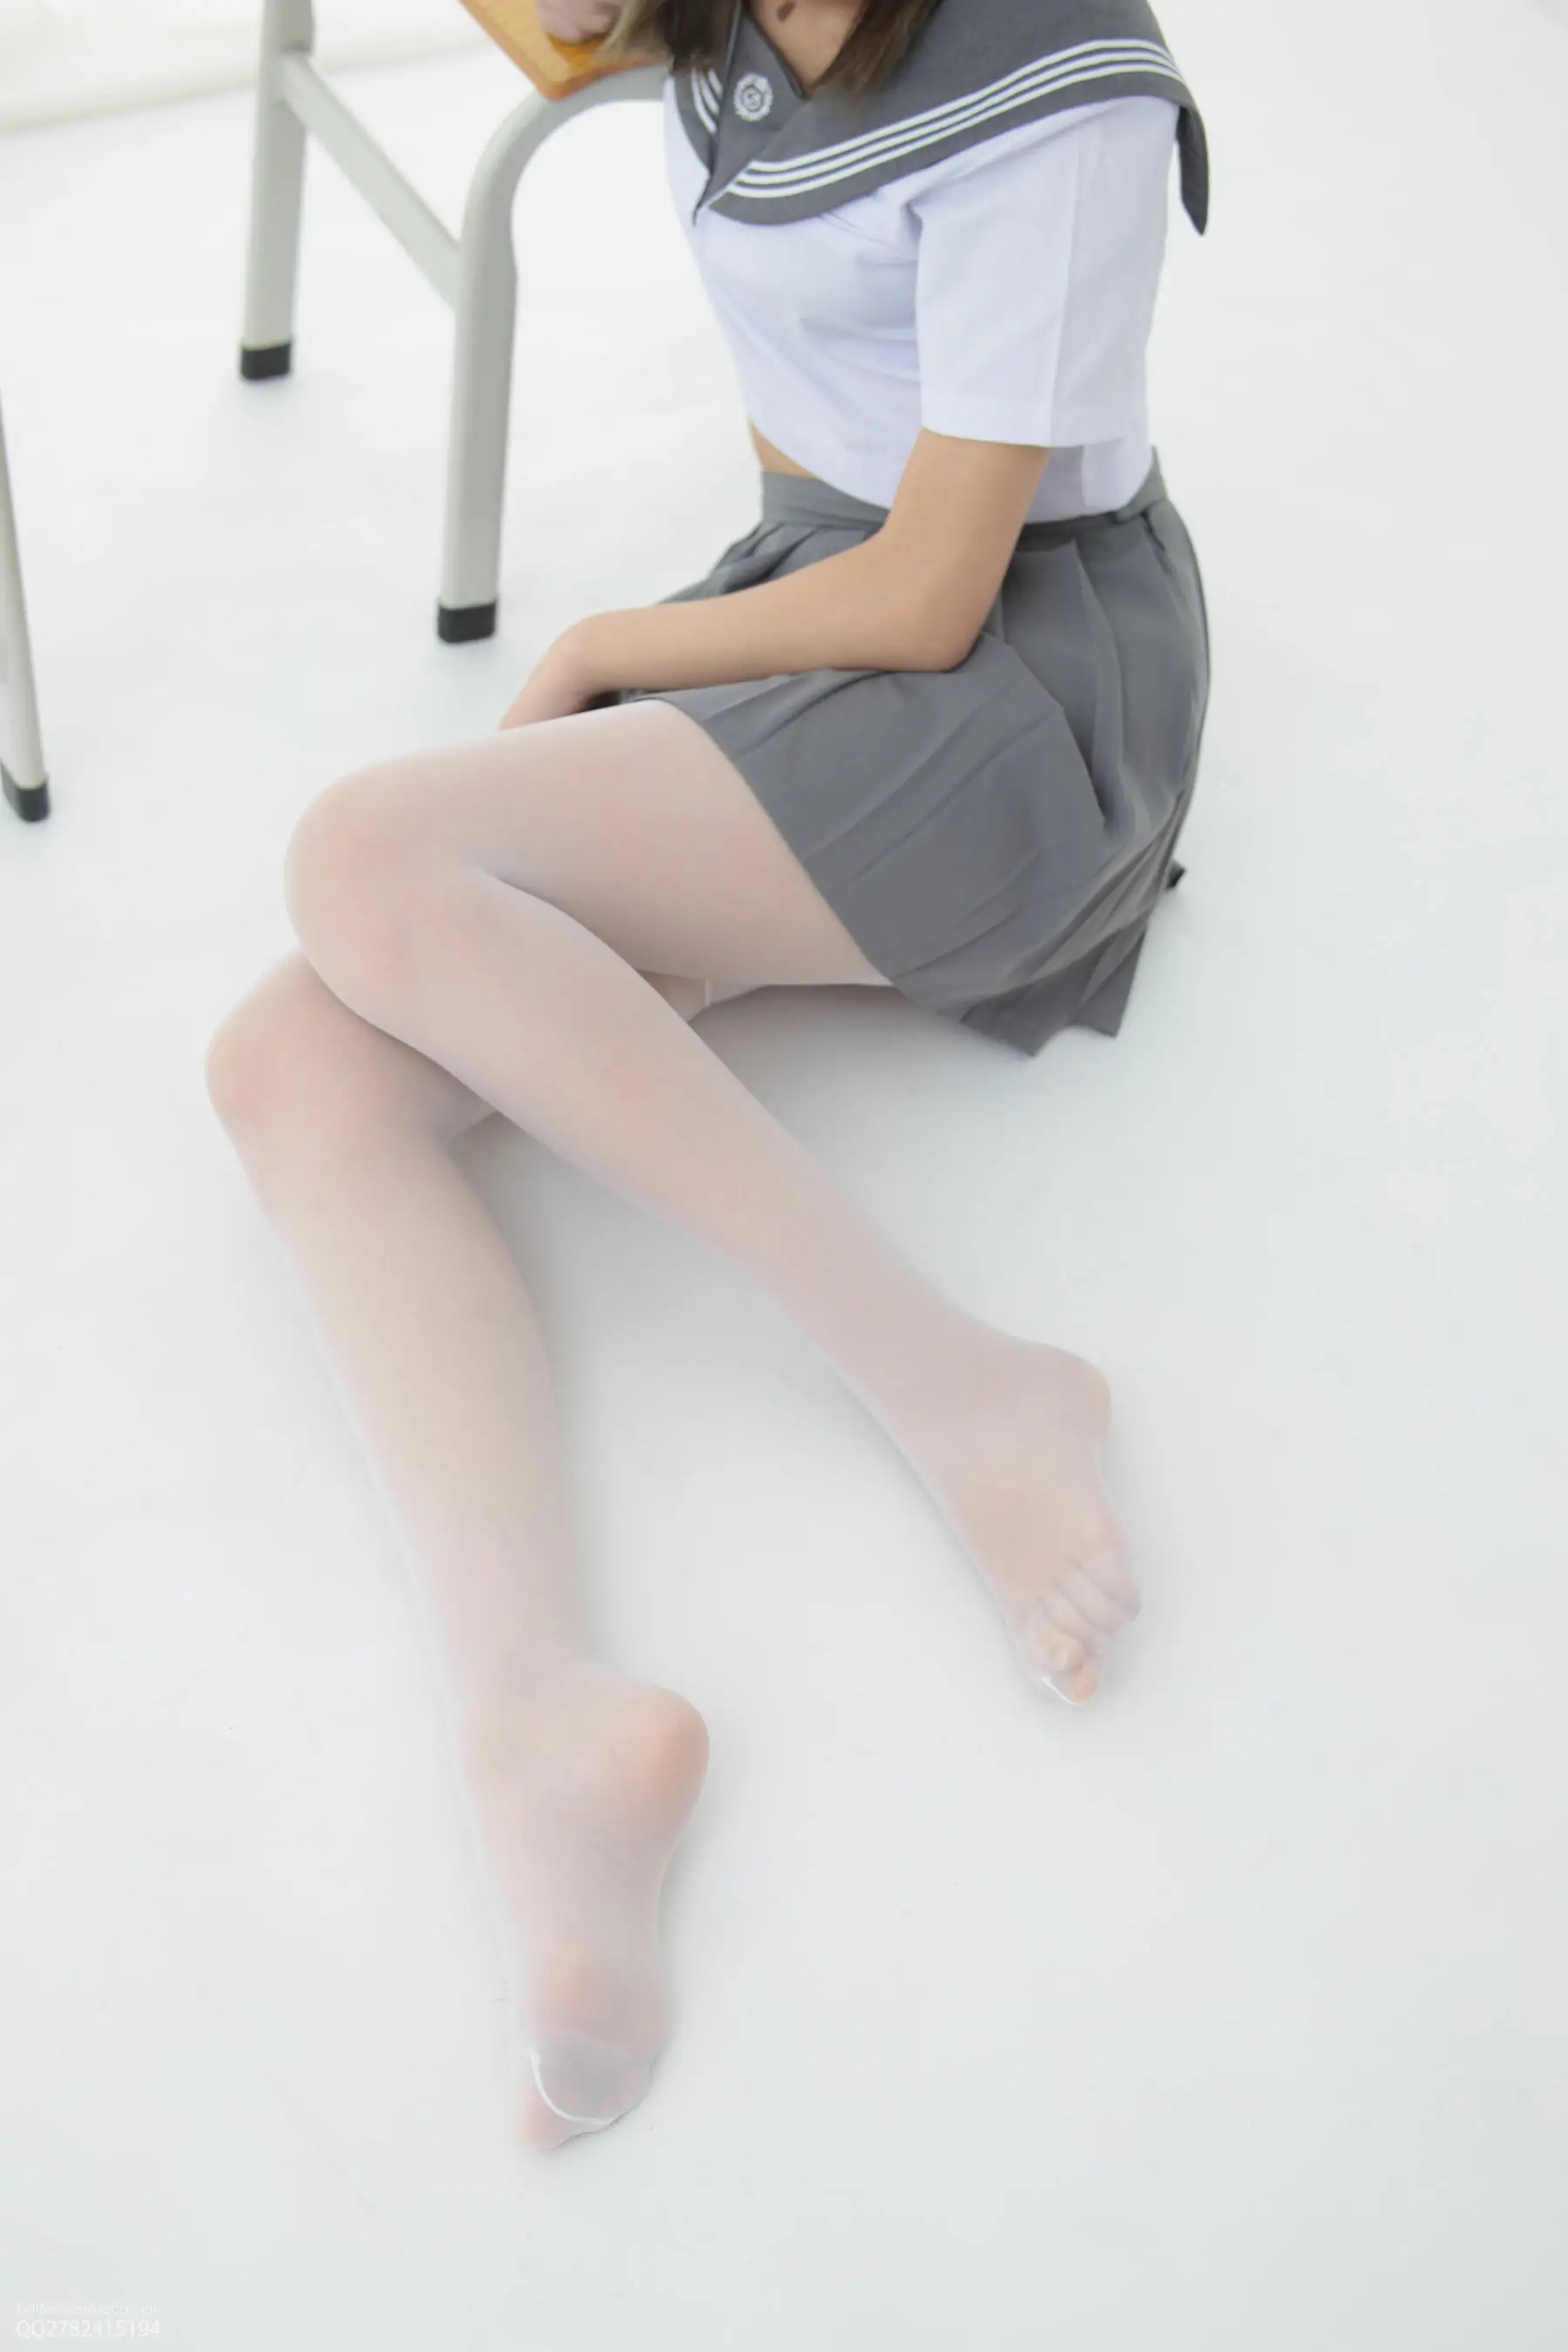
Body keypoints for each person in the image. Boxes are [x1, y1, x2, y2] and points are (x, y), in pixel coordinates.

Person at [203, 0, 1213, 2150]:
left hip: (1019, 686)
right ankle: (541, 1721)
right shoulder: (722, 21)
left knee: (366, 855)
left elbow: (936, 594)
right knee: (294, 1063)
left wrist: (597, 647)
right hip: (811, 596)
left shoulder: (1058, 76)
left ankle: (958, 1380)